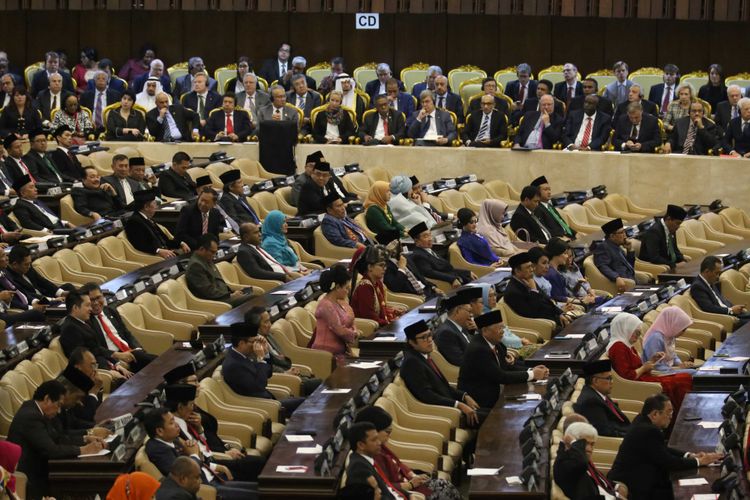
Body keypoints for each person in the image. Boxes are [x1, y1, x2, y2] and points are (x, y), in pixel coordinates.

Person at [608, 393, 723, 499]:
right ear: (655, 414)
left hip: (640, 479)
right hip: (636, 488)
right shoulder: (649, 431)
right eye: (669, 412)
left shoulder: (641, 420)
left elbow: (661, 449)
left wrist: (690, 455)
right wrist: (699, 462)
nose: (671, 416)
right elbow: (669, 462)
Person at [7, 380, 105, 499]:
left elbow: (58, 437)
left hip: (44, 470)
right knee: (81, 485)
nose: (59, 411)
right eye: (58, 405)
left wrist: (85, 438)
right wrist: (84, 450)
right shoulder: (31, 417)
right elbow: (51, 450)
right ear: (47, 399)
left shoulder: (37, 411)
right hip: (31, 479)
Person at [142, 408, 257, 500]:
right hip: (207, 488)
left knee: (259, 488)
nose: (177, 425)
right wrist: (194, 454)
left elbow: (197, 457)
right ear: (159, 431)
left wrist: (216, 466)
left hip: (213, 476)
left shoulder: (174, 439)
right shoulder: (158, 449)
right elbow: (183, 474)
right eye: (172, 422)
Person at [354, 405, 462, 500]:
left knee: (445, 486)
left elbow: (398, 463)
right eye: (387, 432)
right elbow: (385, 486)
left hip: (409, 483)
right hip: (404, 490)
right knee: (444, 490)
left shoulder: (379, 447)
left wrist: (413, 475)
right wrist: (409, 485)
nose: (389, 436)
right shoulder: (368, 460)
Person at [163, 383, 266, 481]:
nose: (194, 407)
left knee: (258, 462)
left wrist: (199, 429)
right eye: (191, 404)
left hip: (212, 459)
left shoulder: (187, 420)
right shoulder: (175, 431)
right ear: (180, 407)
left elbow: (205, 442)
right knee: (258, 465)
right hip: (209, 464)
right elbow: (197, 454)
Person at [606, 312, 693, 413]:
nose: (638, 337)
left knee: (684, 377)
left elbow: (638, 366)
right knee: (683, 379)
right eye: (636, 333)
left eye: (639, 334)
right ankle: (682, 415)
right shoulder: (618, 347)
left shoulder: (627, 345)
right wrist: (644, 368)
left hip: (643, 377)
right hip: (637, 383)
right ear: (626, 330)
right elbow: (628, 375)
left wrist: (652, 361)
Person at [400, 320, 481, 426]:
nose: (429, 340)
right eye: (424, 337)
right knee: (494, 419)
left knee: (492, 413)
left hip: (451, 406)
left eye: (430, 335)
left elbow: (443, 386)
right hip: (443, 414)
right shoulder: (412, 362)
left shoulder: (423, 355)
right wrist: (458, 405)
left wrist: (464, 396)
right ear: (411, 342)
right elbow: (427, 396)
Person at [222, 321, 305, 415]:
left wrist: (265, 353)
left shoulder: (241, 355)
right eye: (253, 342)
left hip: (268, 400)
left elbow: (268, 373)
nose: (255, 345)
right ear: (241, 343)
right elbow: (259, 387)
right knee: (305, 403)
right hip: (260, 408)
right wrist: (260, 359)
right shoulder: (233, 365)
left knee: (307, 401)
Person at [83, 282, 157, 372]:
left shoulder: (110, 311)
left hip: (131, 352)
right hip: (115, 358)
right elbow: (98, 350)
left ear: (103, 296)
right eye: (91, 300)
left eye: (98, 298)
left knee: (156, 361)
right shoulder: (87, 322)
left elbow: (126, 333)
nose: (96, 303)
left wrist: (138, 348)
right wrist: (116, 361)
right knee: (157, 363)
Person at [245, 306, 321, 395]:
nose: (270, 324)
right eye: (266, 322)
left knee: (319, 383)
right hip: (283, 379)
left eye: (269, 320)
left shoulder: (269, 335)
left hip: (289, 371)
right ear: (255, 326)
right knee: (320, 384)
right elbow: (266, 368)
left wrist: (291, 369)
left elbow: (281, 358)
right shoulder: (254, 345)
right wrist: (285, 373)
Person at [553, 422, 626, 500]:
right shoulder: (567, 463)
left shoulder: (579, 460)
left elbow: (599, 482)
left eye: (592, 444)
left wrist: (616, 488)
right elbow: (581, 463)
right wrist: (574, 442)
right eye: (585, 443)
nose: (589, 449)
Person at [185, 234, 254, 307]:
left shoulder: (205, 259)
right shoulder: (195, 265)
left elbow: (219, 281)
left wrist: (233, 292)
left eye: (215, 252)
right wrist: (230, 295)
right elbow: (208, 291)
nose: (214, 255)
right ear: (202, 249)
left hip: (224, 295)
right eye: (212, 252)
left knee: (250, 292)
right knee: (253, 298)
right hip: (216, 302)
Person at [309, 264, 359, 362]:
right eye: (346, 288)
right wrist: (355, 334)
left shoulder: (336, 302)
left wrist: (354, 328)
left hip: (339, 352)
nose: (347, 291)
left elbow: (347, 322)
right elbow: (339, 330)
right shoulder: (326, 305)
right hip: (326, 354)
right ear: (337, 287)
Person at [503, 252, 568, 327]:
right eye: (528, 267)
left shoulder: (529, 279)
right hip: (541, 325)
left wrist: (560, 313)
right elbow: (533, 313)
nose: (532, 270)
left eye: (531, 266)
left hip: (552, 318)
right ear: (517, 271)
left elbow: (546, 299)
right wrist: (533, 290)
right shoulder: (513, 292)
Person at [124, 188, 189, 258]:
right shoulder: (134, 222)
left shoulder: (148, 219)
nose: (157, 206)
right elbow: (140, 245)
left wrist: (180, 243)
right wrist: (158, 250)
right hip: (152, 256)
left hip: (166, 251)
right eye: (155, 203)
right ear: (146, 207)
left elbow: (165, 240)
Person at [341, 421, 400, 499]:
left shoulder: (365, 459)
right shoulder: (359, 469)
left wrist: (408, 495)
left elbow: (387, 487)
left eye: (378, 439)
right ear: (361, 445)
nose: (379, 443)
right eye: (374, 440)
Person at [572, 360, 631, 437]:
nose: (612, 382)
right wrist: (632, 436)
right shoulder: (591, 402)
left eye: (612, 378)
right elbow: (605, 432)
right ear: (595, 381)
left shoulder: (599, 394)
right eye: (608, 378)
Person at [350, 245, 405, 326]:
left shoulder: (377, 283)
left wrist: (393, 312)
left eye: (385, 265)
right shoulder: (365, 286)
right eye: (381, 265)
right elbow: (369, 316)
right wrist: (389, 322)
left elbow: (381, 309)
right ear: (370, 267)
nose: (385, 268)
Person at [408, 222, 473, 288]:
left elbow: (448, 268)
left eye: (430, 235)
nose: (430, 239)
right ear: (417, 241)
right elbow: (430, 273)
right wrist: (452, 279)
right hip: (447, 285)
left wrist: (467, 273)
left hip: (456, 277)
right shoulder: (418, 255)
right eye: (425, 236)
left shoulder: (429, 250)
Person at [690, 255, 749, 326]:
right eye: (716, 273)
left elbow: (721, 300)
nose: (718, 276)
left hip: (730, 313)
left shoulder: (709, 280)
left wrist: (735, 307)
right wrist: (730, 310)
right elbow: (709, 308)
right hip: (724, 318)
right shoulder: (697, 286)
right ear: (707, 271)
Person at [434, 288, 481, 366]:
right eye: (469, 311)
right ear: (457, 311)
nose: (471, 315)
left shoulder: (462, 327)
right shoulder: (446, 333)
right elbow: (461, 362)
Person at [7, 244, 71, 301]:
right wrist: (53, 300)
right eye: (26, 264)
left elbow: (42, 281)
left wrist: (61, 293)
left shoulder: (27, 266)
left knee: (69, 287)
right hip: (38, 302)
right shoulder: (9, 277)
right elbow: (28, 295)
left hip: (45, 294)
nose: (29, 267)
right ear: (15, 264)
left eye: (30, 263)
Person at [642, 306, 695, 373]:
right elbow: (657, 367)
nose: (683, 333)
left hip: (668, 369)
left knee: (697, 370)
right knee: (694, 373)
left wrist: (680, 364)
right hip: (658, 374)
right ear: (673, 324)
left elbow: (673, 356)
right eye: (683, 329)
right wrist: (678, 369)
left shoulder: (669, 335)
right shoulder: (655, 338)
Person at [594, 218, 640, 292]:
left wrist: (630, 250)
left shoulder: (617, 246)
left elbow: (630, 266)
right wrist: (616, 278)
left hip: (633, 280)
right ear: (612, 236)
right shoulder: (603, 247)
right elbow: (602, 266)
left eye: (624, 232)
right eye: (621, 233)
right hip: (624, 283)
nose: (625, 236)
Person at [530, 175, 576, 239]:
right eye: (546, 190)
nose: (549, 192)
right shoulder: (537, 209)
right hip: (560, 240)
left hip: (568, 236)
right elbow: (547, 231)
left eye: (549, 189)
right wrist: (563, 237)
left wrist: (575, 233)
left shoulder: (549, 206)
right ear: (537, 193)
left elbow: (562, 224)